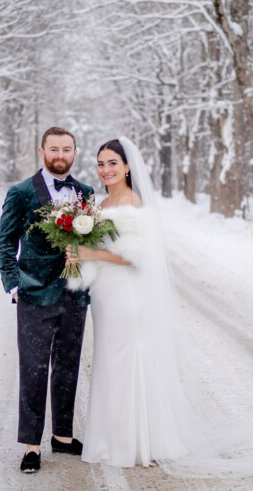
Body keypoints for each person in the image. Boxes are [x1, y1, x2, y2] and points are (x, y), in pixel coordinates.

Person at [67, 137, 192, 468]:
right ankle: (111, 438)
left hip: (126, 292)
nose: (106, 170)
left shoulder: (132, 202)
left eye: (112, 163)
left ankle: (131, 443)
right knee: (110, 361)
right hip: (104, 294)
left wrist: (89, 252)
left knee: (125, 360)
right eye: (100, 164)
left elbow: (136, 257)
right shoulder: (101, 204)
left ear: (127, 167)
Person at [0, 127, 95, 473]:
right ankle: (31, 446)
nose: (60, 155)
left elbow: (92, 243)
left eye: (67, 149)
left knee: (68, 365)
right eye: (54, 149)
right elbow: (5, 244)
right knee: (33, 369)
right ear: (42, 152)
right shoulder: (21, 193)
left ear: (74, 153)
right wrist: (14, 285)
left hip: (74, 294)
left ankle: (63, 437)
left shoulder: (85, 193)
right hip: (34, 294)